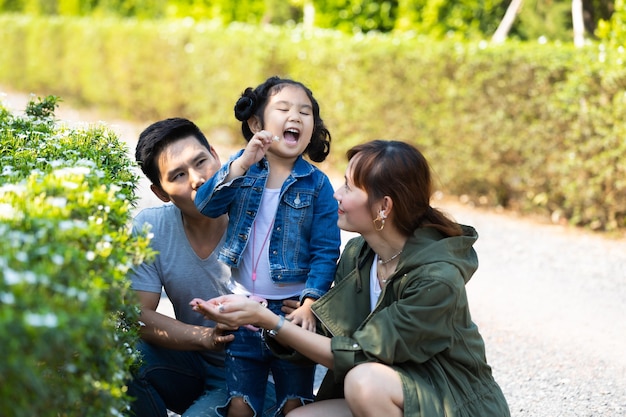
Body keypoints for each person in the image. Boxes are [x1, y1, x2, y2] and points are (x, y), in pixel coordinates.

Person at [191, 140, 511, 417]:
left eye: (348, 187)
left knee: (363, 382)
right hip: (394, 392)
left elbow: (356, 353)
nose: (336, 194)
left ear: (384, 207)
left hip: (450, 401)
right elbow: (331, 337)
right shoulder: (359, 253)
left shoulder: (435, 277)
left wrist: (270, 321)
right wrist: (261, 314)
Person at [193, 76, 341, 417]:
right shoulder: (242, 169)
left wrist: (310, 303)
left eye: (306, 112)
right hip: (242, 308)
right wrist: (243, 162)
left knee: (294, 402)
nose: (297, 117)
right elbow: (206, 205)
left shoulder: (317, 185)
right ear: (257, 122)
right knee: (240, 404)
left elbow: (325, 251)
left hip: (291, 315)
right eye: (284, 109)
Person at [127, 117, 295, 417]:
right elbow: (138, 317)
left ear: (217, 156)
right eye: (178, 175)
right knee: (125, 357)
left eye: (201, 162)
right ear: (161, 192)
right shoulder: (151, 226)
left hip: (259, 376)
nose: (198, 180)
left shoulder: (264, 217)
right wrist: (204, 338)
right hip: (193, 363)